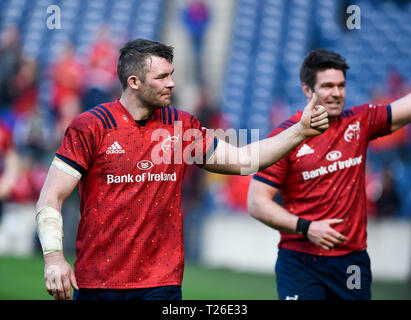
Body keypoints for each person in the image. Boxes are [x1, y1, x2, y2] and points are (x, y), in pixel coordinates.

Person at [35, 39, 329, 300]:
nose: (171, 83)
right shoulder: (91, 126)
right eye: (162, 77)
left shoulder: (181, 126)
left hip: (160, 284)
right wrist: (53, 258)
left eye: (171, 75)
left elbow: (243, 160)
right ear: (134, 82)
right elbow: (51, 197)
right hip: (98, 283)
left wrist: (300, 131)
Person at [247, 49, 411, 300]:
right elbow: (256, 202)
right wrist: (307, 227)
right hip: (299, 262)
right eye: (327, 86)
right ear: (307, 90)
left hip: (352, 263)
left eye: (341, 85)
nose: (336, 93)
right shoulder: (285, 138)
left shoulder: (359, 122)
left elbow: (404, 108)